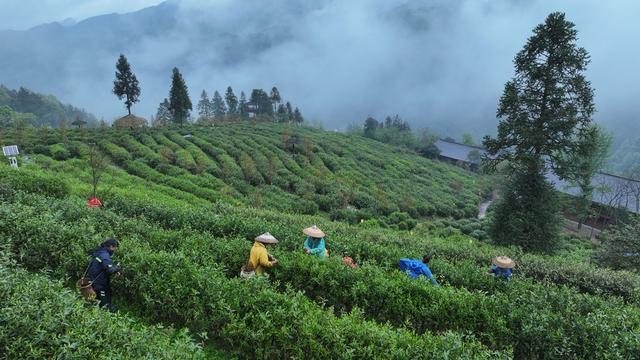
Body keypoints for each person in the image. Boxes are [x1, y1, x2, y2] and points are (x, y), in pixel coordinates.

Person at [87, 239, 122, 312]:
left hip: (92, 280)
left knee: (95, 300)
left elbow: (104, 266)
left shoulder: (99, 251)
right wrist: (118, 267)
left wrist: (114, 268)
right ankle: (108, 315)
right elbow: (110, 270)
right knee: (105, 303)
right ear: (111, 247)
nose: (115, 250)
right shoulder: (105, 256)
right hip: (99, 284)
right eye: (115, 247)